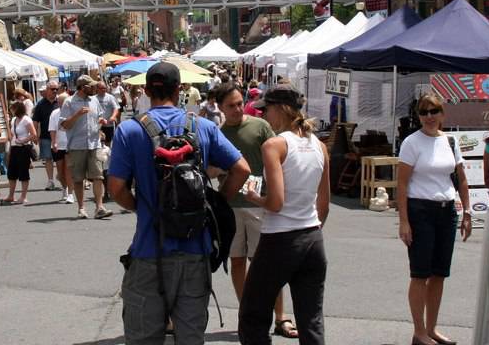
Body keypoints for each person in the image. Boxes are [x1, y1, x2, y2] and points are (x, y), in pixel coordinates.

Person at [108, 62, 251, 344]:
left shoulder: (130, 131)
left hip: (149, 250)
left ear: (147, 91)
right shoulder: (203, 127)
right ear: (180, 90)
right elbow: (242, 169)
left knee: (143, 337)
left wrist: (139, 205)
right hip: (194, 252)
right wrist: (217, 202)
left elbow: (115, 189)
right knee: (191, 337)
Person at [238, 85, 331, 344]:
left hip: (279, 237)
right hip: (312, 237)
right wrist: (311, 227)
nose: (264, 115)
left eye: (266, 109)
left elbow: (276, 202)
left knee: (253, 314)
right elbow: (324, 203)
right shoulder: (319, 146)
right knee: (311, 319)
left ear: (280, 109)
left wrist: (255, 197)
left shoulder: (274, 145)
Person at [212, 84, 296, 338]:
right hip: (231, 206)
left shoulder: (260, 127)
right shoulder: (219, 133)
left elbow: (280, 157)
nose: (238, 109)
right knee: (237, 261)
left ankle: (279, 316)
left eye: (240, 103)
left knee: (267, 263)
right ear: (220, 107)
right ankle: (246, 314)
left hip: (260, 203)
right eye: (231, 105)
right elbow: (212, 168)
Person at [397, 93, 472, 345]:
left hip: (446, 210)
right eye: (424, 112)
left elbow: (460, 178)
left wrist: (467, 212)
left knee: (439, 273)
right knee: (420, 274)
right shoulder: (411, 142)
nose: (429, 117)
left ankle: (431, 329)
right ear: (418, 116)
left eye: (434, 111)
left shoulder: (450, 141)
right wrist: (404, 221)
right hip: (421, 211)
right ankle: (418, 332)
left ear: (442, 114)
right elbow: (402, 183)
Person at [60, 75, 113, 219]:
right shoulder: (69, 102)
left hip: (94, 144)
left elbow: (99, 117)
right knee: (78, 178)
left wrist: (101, 121)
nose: (95, 88)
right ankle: (81, 208)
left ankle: (99, 207)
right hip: (77, 145)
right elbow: (64, 125)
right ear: (83, 87)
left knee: (98, 176)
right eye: (92, 86)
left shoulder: (94, 100)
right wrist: (77, 115)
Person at [2, 101, 36, 205]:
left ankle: (23, 196)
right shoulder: (13, 120)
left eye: (13, 108)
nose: (11, 110)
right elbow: (12, 135)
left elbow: (33, 134)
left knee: (23, 172)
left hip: (24, 148)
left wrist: (23, 140)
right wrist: (10, 148)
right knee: (12, 172)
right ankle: (11, 195)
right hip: (15, 147)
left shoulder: (26, 119)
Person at [33, 81, 61, 191]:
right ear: (47, 90)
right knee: (48, 159)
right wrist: (35, 135)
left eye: (56, 89)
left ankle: (61, 177)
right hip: (45, 136)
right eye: (52, 89)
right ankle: (50, 180)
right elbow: (35, 120)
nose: (54, 91)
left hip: (60, 136)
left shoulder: (60, 102)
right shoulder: (40, 104)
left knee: (60, 159)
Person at [49, 93, 74, 204]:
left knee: (68, 170)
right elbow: (52, 129)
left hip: (70, 145)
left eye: (61, 102)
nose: (59, 104)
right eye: (58, 102)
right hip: (59, 145)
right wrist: (54, 142)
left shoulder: (73, 112)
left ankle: (70, 194)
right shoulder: (54, 113)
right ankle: (64, 188)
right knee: (60, 172)